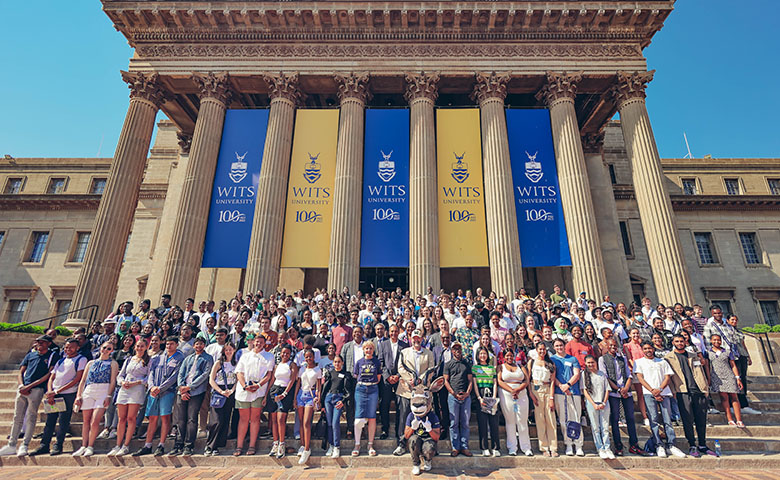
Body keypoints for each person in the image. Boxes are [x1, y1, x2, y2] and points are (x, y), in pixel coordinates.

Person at [30, 338, 85, 456]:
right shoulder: (61, 361)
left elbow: (77, 378)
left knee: (63, 420)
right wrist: (50, 391)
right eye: (66, 347)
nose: (68, 349)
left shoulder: (81, 359)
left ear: (77, 348)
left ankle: (58, 445)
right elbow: (52, 377)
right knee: (50, 420)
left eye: (71, 347)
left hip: (68, 393)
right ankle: (44, 444)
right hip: (54, 394)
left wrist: (58, 391)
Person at [665, 334, 716, 457]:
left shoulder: (693, 356)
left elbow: (700, 372)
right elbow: (669, 377)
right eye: (677, 341)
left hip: (698, 390)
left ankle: (702, 444)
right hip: (682, 391)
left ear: (685, 342)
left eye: (681, 341)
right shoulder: (668, 358)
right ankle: (692, 444)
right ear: (673, 342)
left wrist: (705, 388)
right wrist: (674, 391)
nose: (680, 343)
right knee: (687, 420)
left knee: (701, 419)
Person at [133, 336, 184, 457]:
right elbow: (151, 373)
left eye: (171, 344)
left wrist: (160, 388)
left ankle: (161, 444)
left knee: (165, 418)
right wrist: (152, 387)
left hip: (167, 392)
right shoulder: (157, 358)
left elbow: (175, 376)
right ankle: (148, 445)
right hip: (153, 392)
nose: (169, 346)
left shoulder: (179, 358)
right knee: (152, 419)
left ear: (176, 345)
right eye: (167, 344)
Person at [634, 340, 685, 458]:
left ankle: (671, 445)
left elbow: (667, 377)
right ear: (642, 350)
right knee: (654, 420)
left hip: (664, 393)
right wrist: (653, 391)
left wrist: (660, 390)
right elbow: (640, 378)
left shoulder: (662, 361)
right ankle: (658, 445)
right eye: (645, 348)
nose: (648, 350)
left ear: (653, 349)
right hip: (648, 393)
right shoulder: (639, 362)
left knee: (667, 420)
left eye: (649, 348)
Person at [73, 341, 118, 457]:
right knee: (86, 420)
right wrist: (79, 395)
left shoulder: (113, 363)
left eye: (109, 349)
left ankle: (90, 446)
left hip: (103, 390)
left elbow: (113, 380)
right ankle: (83, 445)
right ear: (100, 348)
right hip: (89, 389)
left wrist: (108, 395)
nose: (106, 350)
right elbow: (83, 381)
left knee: (95, 420)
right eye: (104, 348)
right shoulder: (90, 363)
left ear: (111, 351)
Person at [170, 336, 214, 456]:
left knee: (192, 419)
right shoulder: (188, 358)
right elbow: (181, 373)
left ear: (204, 345)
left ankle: (189, 446)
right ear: (193, 345)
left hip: (196, 392)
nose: (198, 346)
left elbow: (205, 375)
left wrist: (189, 387)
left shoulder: (208, 358)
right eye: (196, 344)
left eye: (201, 344)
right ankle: (178, 445)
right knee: (180, 419)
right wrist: (182, 388)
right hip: (182, 391)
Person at [395, 329, 435, 456]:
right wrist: (410, 379)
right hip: (407, 390)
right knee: (403, 417)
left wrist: (422, 379)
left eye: (419, 338)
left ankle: (426, 446)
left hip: (423, 392)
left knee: (425, 417)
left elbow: (431, 369)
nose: (416, 340)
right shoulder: (404, 352)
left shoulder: (429, 353)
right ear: (410, 339)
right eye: (414, 338)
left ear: (422, 339)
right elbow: (400, 367)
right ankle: (401, 444)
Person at [600, 338, 643, 456]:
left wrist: (625, 388)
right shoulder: (602, 359)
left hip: (626, 391)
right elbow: (606, 377)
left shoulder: (622, 358)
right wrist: (618, 389)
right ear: (607, 347)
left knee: (630, 418)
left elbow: (629, 375)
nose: (613, 348)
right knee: (615, 419)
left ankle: (634, 444)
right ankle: (618, 445)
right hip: (614, 393)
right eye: (611, 346)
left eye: (615, 346)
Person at [108, 337, 150, 456]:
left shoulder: (148, 360)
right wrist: (122, 382)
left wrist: (136, 382)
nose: (139, 348)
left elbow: (149, 377)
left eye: (142, 346)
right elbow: (120, 375)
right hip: (124, 388)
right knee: (121, 418)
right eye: (138, 346)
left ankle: (126, 445)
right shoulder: (129, 359)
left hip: (137, 389)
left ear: (146, 347)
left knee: (131, 418)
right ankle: (118, 444)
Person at [233, 335, 274, 456]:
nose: (258, 344)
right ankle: (239, 446)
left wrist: (258, 386)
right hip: (243, 390)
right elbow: (239, 373)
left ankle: (252, 446)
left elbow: (268, 375)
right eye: (257, 342)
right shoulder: (245, 356)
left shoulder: (269, 356)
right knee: (243, 419)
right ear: (253, 342)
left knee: (255, 418)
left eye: (261, 342)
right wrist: (245, 385)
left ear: (264, 343)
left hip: (259, 391)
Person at [550, 338, 584, 457]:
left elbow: (577, 374)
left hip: (573, 392)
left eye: (561, 345)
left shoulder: (572, 359)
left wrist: (568, 385)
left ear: (564, 346)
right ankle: (568, 444)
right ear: (554, 347)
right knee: (563, 420)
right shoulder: (552, 359)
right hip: (559, 392)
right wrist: (561, 386)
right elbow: (552, 376)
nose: (559, 347)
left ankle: (578, 445)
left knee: (575, 418)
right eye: (557, 346)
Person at [497, 344, 532, 456]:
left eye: (511, 356)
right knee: (510, 421)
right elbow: (500, 381)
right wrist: (511, 391)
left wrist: (517, 390)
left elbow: (526, 381)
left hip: (521, 394)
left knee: (522, 421)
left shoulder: (521, 367)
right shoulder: (500, 367)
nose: (509, 358)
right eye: (507, 356)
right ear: (503, 357)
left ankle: (526, 447)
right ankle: (512, 447)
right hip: (506, 394)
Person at [205, 341, 237, 456]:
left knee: (225, 420)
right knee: (216, 421)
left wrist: (232, 391)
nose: (228, 352)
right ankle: (209, 445)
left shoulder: (236, 364)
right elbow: (211, 379)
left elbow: (237, 380)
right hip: (219, 392)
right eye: (226, 349)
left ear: (234, 350)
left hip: (230, 392)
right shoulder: (219, 363)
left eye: (230, 349)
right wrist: (220, 391)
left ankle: (217, 446)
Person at [378, 324, 408, 441]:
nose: (394, 334)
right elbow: (380, 362)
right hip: (386, 381)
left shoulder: (404, 345)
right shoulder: (383, 344)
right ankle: (385, 429)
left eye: (396, 331)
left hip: (400, 380)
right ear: (388, 332)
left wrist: (398, 376)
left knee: (400, 406)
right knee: (384, 405)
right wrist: (388, 376)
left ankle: (398, 430)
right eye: (391, 331)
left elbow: (406, 363)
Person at [443, 341, 473, 457]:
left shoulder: (466, 364)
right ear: (452, 351)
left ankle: (464, 447)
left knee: (465, 422)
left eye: (459, 349)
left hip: (465, 397)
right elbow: (445, 380)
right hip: (453, 397)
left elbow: (470, 380)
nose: (457, 351)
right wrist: (453, 393)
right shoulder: (448, 364)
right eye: (455, 349)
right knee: (453, 423)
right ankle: (455, 447)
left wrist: (467, 393)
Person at [268, 344, 298, 458]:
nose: (285, 355)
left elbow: (292, 380)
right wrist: (267, 394)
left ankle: (282, 443)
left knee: (281, 419)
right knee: (274, 419)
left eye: (287, 353)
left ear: (290, 354)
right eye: (283, 352)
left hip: (285, 392)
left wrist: (284, 393)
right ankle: (275, 443)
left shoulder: (292, 365)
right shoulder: (277, 365)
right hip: (274, 391)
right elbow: (272, 380)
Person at [726, 315, 761, 415]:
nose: (734, 321)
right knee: (737, 378)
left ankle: (743, 401)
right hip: (733, 356)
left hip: (742, 355)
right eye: (732, 320)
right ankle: (737, 403)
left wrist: (748, 356)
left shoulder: (739, 332)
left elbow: (743, 344)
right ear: (727, 321)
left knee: (743, 378)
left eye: (736, 320)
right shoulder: (726, 331)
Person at [352, 341, 382, 457]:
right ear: (363, 350)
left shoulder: (377, 362)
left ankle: (370, 445)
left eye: (370, 348)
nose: (368, 350)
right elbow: (356, 375)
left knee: (372, 417)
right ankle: (357, 445)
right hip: (360, 389)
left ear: (373, 350)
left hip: (373, 389)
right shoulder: (359, 362)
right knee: (359, 419)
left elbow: (378, 377)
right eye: (366, 348)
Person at [321, 354, 354, 458]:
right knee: (330, 423)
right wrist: (322, 404)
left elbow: (349, 391)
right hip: (328, 399)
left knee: (335, 423)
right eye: (335, 362)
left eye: (339, 362)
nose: (337, 364)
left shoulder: (346, 374)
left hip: (338, 399)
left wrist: (343, 401)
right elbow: (325, 388)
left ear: (342, 363)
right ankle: (331, 445)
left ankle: (337, 446)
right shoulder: (330, 373)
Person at [709, 333, 745, 428]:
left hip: (729, 375)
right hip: (717, 377)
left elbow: (733, 365)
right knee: (724, 398)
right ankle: (729, 419)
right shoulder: (708, 352)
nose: (716, 341)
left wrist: (737, 377)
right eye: (714, 340)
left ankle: (739, 420)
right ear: (711, 341)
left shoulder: (727, 352)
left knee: (734, 396)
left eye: (718, 340)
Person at [528, 341, 557, 457]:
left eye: (544, 349)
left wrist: (551, 398)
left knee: (551, 419)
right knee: (540, 419)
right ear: (536, 350)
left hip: (547, 388)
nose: (542, 351)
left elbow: (553, 381)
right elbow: (528, 378)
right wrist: (531, 394)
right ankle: (544, 447)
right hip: (536, 390)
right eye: (540, 349)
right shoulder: (532, 362)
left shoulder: (550, 363)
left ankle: (553, 447)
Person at [581, 355, 613, 459]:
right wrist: (594, 404)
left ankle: (607, 447)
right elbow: (585, 391)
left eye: (592, 362)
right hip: (592, 403)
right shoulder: (584, 375)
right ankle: (600, 448)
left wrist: (604, 402)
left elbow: (607, 389)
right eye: (588, 363)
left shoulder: (602, 374)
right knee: (596, 428)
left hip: (603, 402)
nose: (590, 364)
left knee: (605, 427)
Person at [404, 393, 441, 476]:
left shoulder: (433, 416)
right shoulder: (411, 416)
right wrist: (413, 428)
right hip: (417, 438)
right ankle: (416, 464)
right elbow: (406, 435)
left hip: (428, 439)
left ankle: (427, 460)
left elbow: (436, 438)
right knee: (413, 440)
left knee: (429, 448)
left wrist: (429, 429)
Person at [472, 346, 500, 457]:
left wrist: (493, 396)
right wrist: (479, 397)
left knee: (494, 422)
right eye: (481, 354)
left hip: (491, 394)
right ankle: (484, 448)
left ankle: (495, 447)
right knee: (482, 423)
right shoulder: (475, 368)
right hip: (481, 395)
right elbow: (475, 383)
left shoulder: (491, 368)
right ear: (478, 356)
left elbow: (494, 382)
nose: (483, 356)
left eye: (485, 354)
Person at [295, 348, 322, 464]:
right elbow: (298, 384)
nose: (308, 359)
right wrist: (294, 398)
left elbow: (319, 386)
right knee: (301, 421)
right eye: (306, 357)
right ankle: (302, 444)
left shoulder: (317, 370)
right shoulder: (302, 369)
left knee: (306, 422)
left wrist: (318, 399)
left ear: (314, 357)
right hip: (301, 394)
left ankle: (307, 448)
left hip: (311, 396)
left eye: (310, 356)